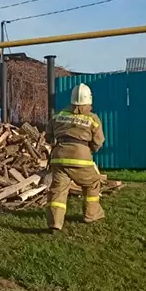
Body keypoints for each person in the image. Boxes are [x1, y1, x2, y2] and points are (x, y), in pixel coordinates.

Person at [45, 83, 105, 233]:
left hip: (59, 157)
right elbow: (98, 141)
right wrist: (89, 150)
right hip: (81, 159)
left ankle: (55, 224)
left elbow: (48, 135)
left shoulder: (59, 115)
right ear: (89, 100)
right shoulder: (92, 118)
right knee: (93, 183)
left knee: (58, 190)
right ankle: (91, 215)